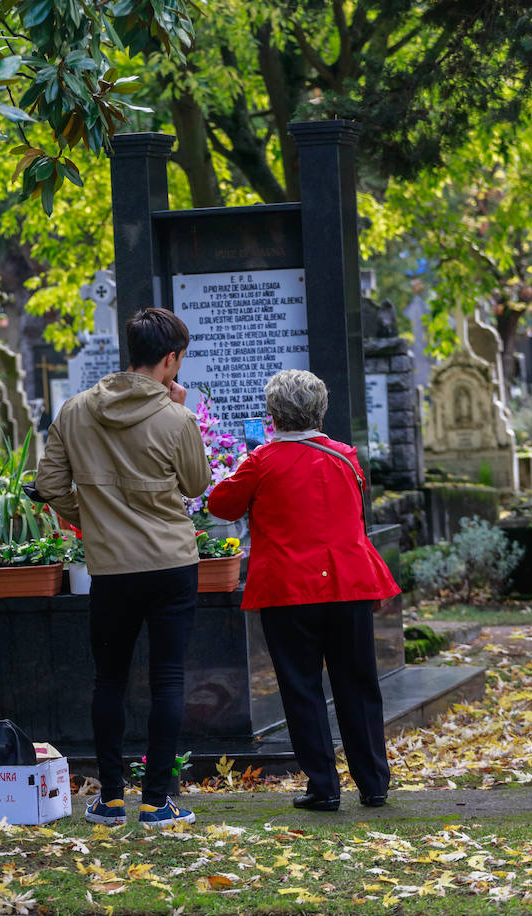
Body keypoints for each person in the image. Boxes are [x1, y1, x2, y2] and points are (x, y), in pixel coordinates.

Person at [35, 307, 210, 829]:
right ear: (171, 359)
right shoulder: (175, 417)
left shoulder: (75, 410)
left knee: (108, 681)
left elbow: (48, 485)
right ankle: (158, 802)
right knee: (168, 680)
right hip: (171, 563)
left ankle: (110, 799)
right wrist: (184, 414)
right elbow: (197, 485)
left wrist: (88, 518)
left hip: (111, 567)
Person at [207, 369, 399, 812]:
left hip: (289, 588)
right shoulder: (346, 457)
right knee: (359, 684)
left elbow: (221, 505)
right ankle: (373, 783)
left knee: (302, 687)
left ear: (273, 415)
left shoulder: (261, 462)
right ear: (321, 410)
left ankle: (323, 787)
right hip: (348, 584)